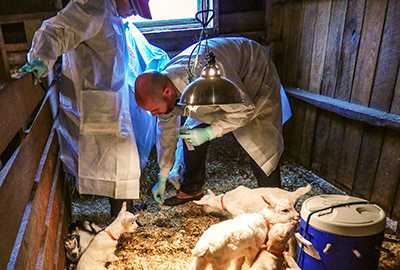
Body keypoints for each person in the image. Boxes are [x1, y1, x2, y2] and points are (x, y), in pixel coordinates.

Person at [19, 0, 157, 215]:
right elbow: (56, 30)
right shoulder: (93, 6)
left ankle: (124, 213)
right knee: (118, 162)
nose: (131, 14)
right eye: (132, 8)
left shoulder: (113, 15)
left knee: (123, 162)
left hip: (110, 102)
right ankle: (122, 216)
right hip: (95, 104)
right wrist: (40, 59)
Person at [134, 37, 289, 206]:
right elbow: (166, 132)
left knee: (261, 145)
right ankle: (192, 188)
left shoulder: (210, 72)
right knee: (189, 135)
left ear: (167, 92)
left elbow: (244, 110)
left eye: (154, 110)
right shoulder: (164, 88)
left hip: (253, 73)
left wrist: (210, 132)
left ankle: (277, 203)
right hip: (212, 90)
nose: (154, 115)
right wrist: (162, 176)